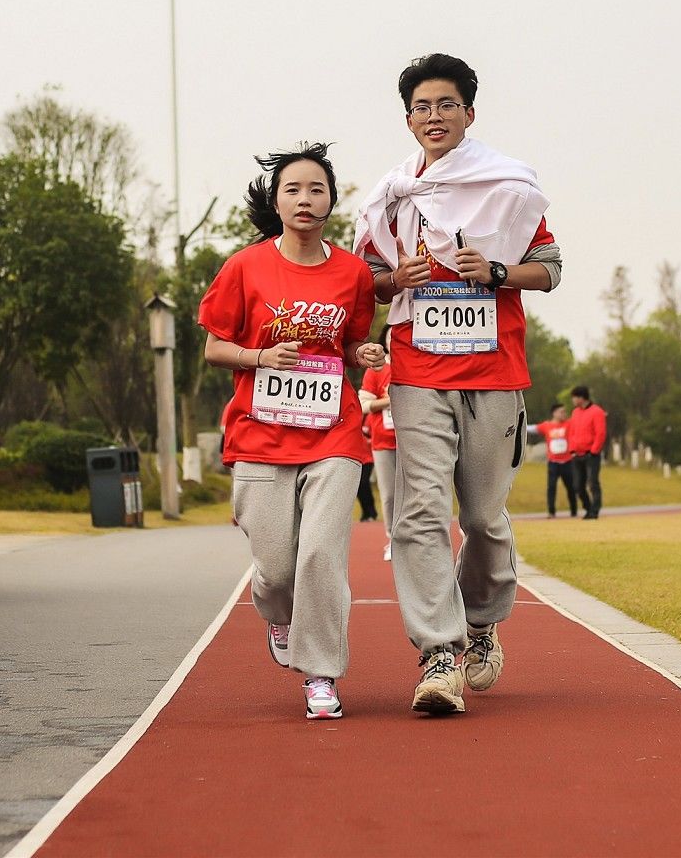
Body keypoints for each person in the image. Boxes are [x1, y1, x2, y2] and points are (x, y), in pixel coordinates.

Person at [357, 53, 561, 716]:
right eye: (422, 107)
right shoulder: (390, 197)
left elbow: (551, 267)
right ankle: (438, 654)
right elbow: (367, 281)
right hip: (417, 368)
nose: (434, 116)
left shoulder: (507, 185)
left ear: (469, 113)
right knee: (417, 513)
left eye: (447, 105)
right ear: (408, 118)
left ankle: (480, 624)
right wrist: (398, 282)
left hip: (493, 369)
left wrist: (498, 270)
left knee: (480, 517)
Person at [198, 145, 384, 720]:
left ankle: (322, 674)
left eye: (317, 190)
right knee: (278, 570)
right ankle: (278, 615)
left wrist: (364, 352)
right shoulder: (245, 267)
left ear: (331, 201)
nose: (306, 199)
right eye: (293, 190)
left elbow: (349, 343)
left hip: (333, 434)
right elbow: (213, 347)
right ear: (276, 201)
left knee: (322, 556)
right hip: (261, 435)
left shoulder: (352, 272)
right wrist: (259, 357)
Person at [357, 335, 397, 560]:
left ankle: (416, 541)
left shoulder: (416, 365)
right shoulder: (377, 370)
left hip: (414, 440)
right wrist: (390, 401)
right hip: (383, 441)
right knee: (390, 494)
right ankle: (393, 538)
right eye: (392, 334)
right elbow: (362, 405)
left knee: (417, 494)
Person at [568, 386, 608, 519]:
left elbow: (600, 433)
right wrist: (572, 450)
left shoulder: (597, 412)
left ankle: (594, 511)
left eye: (574, 397)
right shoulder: (575, 412)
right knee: (577, 486)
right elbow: (572, 432)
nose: (572, 400)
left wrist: (594, 450)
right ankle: (588, 508)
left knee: (593, 482)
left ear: (581, 397)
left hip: (591, 454)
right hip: (577, 454)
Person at [540, 402, 578, 518]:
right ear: (554, 413)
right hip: (553, 463)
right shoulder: (546, 425)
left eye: (565, 412)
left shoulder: (569, 424)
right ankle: (551, 512)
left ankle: (574, 511)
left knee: (571, 487)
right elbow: (531, 428)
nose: (564, 414)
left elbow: (580, 423)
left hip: (567, 462)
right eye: (561, 412)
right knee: (551, 487)